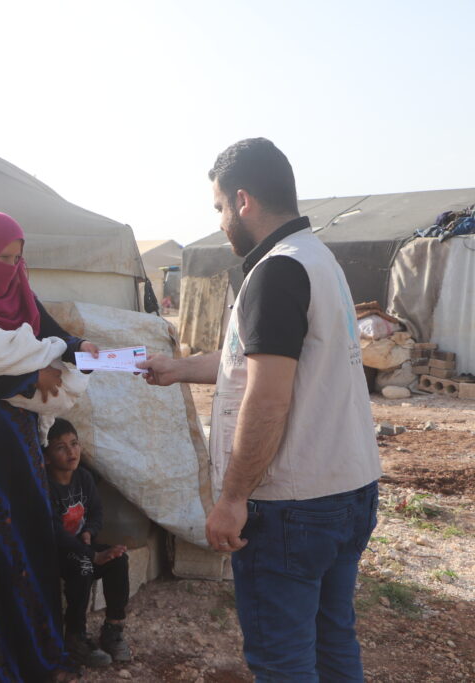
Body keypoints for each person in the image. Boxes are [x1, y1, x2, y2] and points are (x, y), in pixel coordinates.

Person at [140, 138, 382, 681]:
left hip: (292, 506)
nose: (222, 221)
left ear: (243, 200)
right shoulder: (318, 260)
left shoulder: (276, 271)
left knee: (283, 662)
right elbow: (257, 364)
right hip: (347, 491)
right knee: (332, 640)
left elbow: (268, 397)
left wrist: (232, 498)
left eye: (220, 207)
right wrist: (177, 368)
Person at [0, 210, 99, 682]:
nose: (11, 267)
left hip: (22, 441)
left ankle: (40, 657)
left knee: (31, 538)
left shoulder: (22, 294)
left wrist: (81, 346)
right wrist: (31, 378)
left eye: (16, 258)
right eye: (3, 258)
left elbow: (54, 335)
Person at [44, 418, 131, 667]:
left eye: (74, 444)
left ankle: (113, 629)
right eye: (61, 447)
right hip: (55, 554)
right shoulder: (45, 486)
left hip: (82, 546)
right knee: (83, 567)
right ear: (47, 457)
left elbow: (96, 513)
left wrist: (90, 532)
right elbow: (54, 532)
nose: (71, 452)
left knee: (119, 560)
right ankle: (75, 636)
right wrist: (91, 555)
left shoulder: (84, 478)